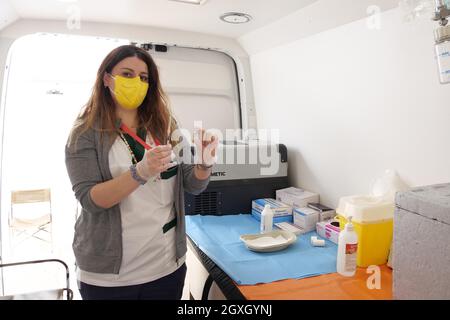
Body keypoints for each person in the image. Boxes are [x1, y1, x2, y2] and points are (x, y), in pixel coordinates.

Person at [65, 44, 218, 300]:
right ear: (106, 78)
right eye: (126, 74)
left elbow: (192, 184)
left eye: (143, 78)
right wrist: (140, 172)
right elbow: (90, 200)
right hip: (109, 276)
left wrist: (204, 164)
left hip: (166, 266)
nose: (136, 82)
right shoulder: (84, 133)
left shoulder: (166, 125)